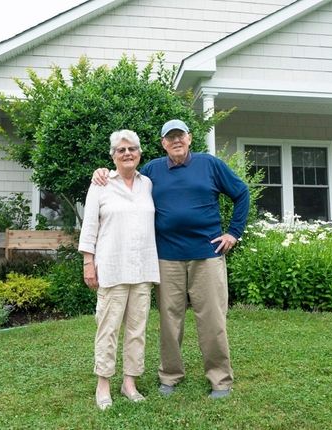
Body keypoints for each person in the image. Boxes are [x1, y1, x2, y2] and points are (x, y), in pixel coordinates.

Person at [93, 119, 249, 399]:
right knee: (169, 321)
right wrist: (101, 172)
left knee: (212, 320)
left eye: (180, 136)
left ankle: (220, 380)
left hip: (207, 256)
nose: (176, 141)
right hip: (167, 258)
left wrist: (234, 233)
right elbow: (125, 178)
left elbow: (242, 193)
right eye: (170, 137)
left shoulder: (209, 165)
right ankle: (170, 375)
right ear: (163, 143)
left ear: (189, 138)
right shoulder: (152, 171)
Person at [79, 129, 160, 411]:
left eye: (132, 149)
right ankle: (103, 385)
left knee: (137, 330)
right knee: (108, 328)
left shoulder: (147, 184)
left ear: (139, 153)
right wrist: (88, 262)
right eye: (121, 150)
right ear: (113, 156)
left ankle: (129, 383)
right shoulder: (101, 183)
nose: (127, 153)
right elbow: (89, 226)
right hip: (111, 268)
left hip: (142, 268)